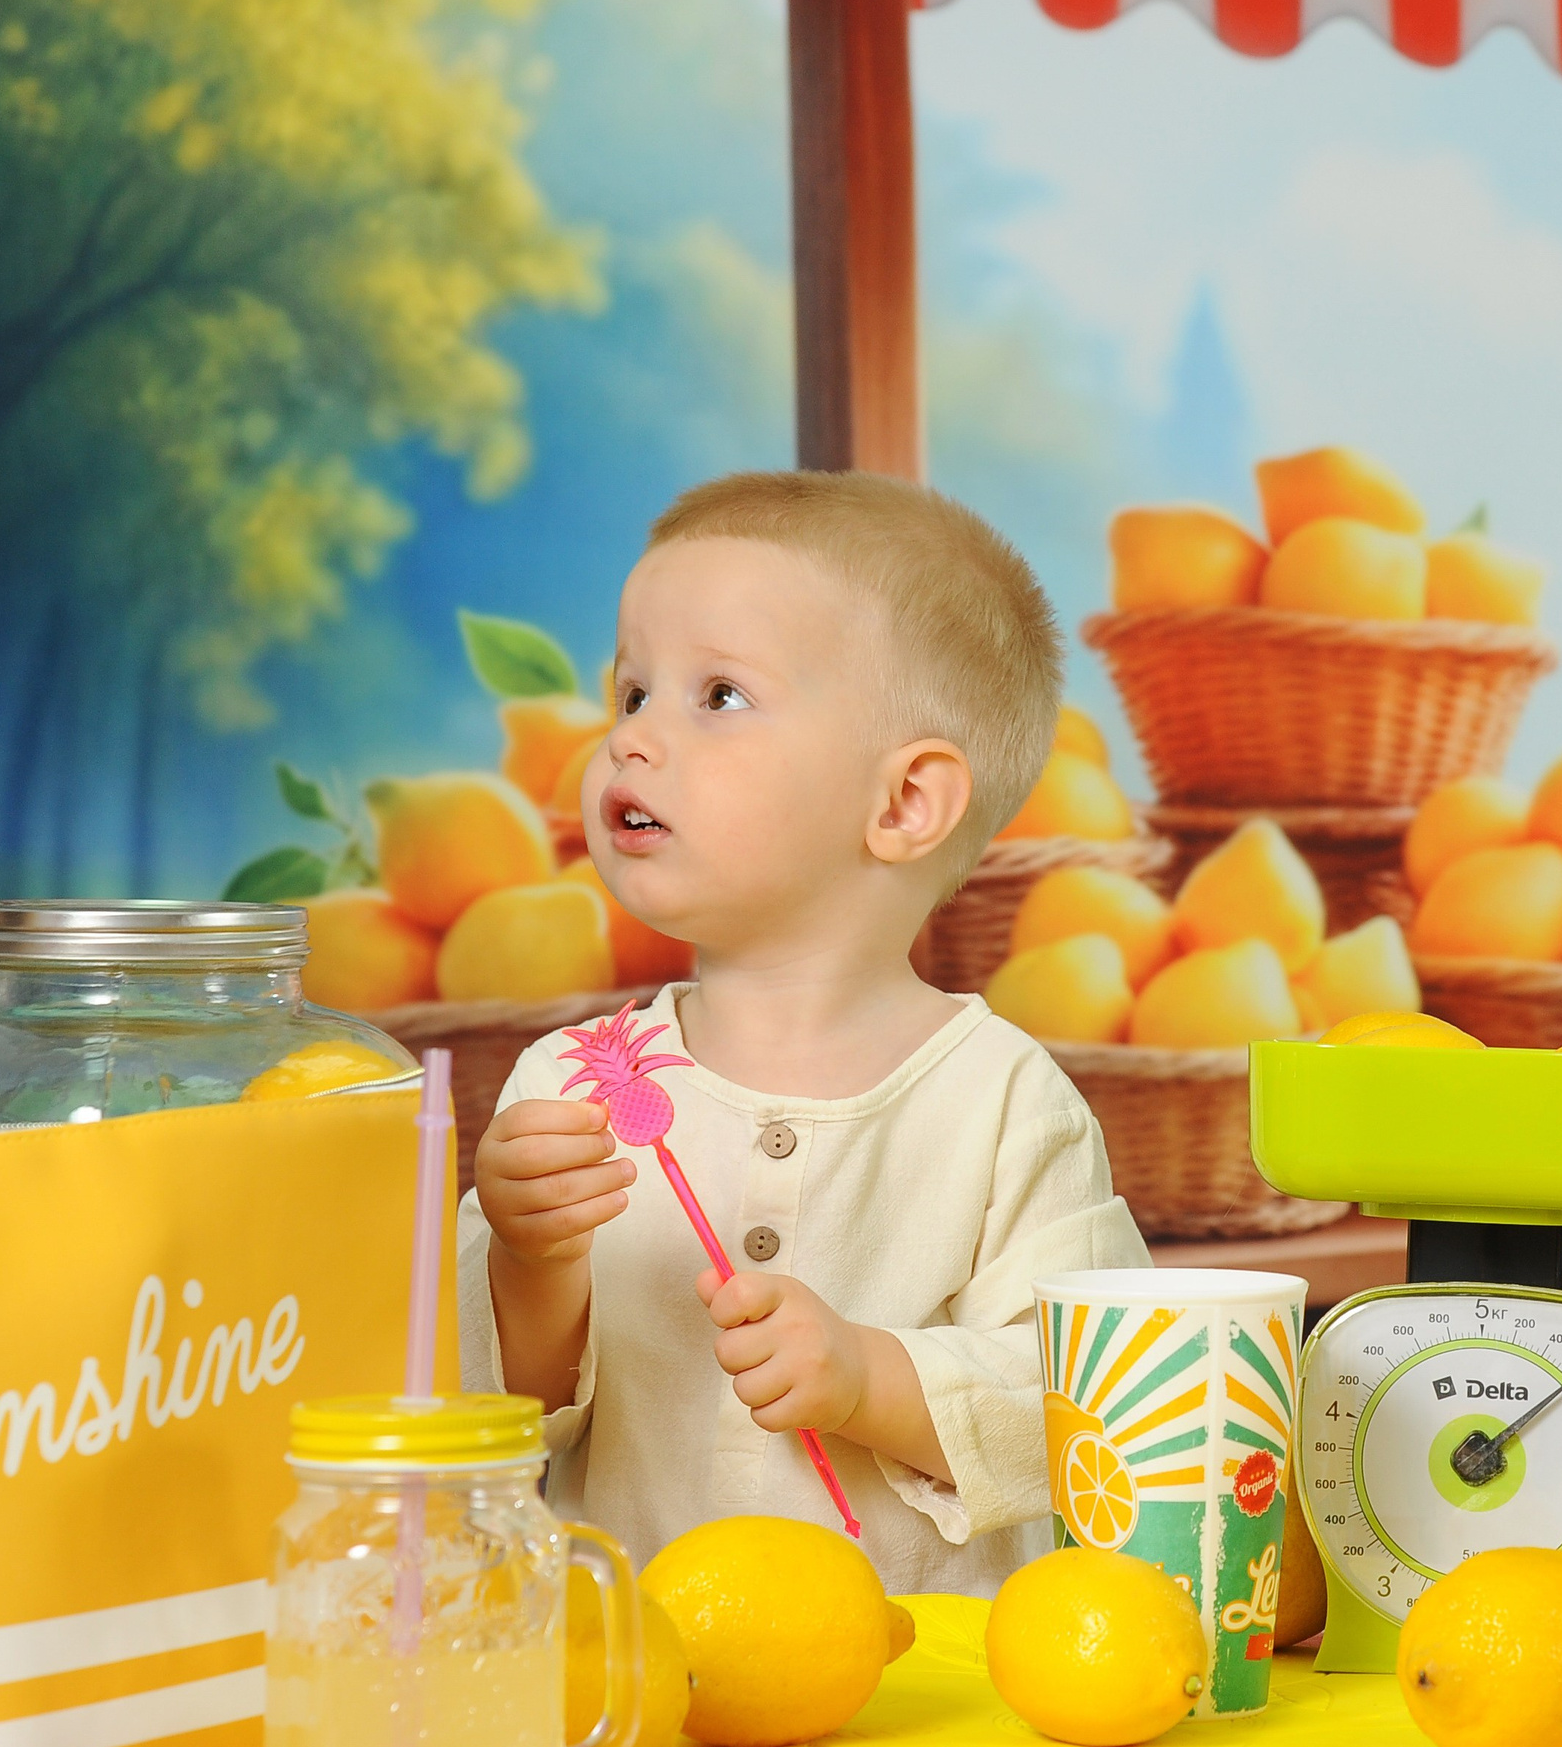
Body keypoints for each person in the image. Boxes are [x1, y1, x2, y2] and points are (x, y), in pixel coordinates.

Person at [457, 469, 1148, 1593]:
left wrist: (869, 1377)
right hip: (638, 1673)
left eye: (719, 695)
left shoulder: (1004, 1104)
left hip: (921, 1685)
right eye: (632, 693)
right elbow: (491, 1424)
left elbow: (1090, 1415)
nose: (631, 741)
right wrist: (529, 1264)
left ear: (903, 803)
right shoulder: (569, 1086)